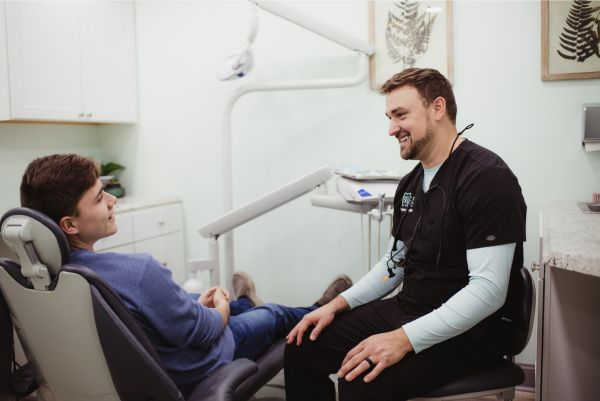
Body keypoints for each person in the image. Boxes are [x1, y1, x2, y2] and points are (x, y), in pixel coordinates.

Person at [19, 153, 353, 397]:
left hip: (139, 367)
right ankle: (321, 309)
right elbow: (202, 330)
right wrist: (217, 308)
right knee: (274, 314)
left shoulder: (39, 281)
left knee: (207, 302)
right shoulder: (137, 271)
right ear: (69, 224)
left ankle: (242, 302)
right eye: (99, 197)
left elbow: (142, 314)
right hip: (198, 363)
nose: (112, 201)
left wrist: (199, 305)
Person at [284, 68, 527, 401]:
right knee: (302, 346)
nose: (391, 129)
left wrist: (404, 338)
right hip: (411, 308)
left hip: (476, 329)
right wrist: (337, 305)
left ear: (437, 108)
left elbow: (488, 292)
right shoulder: (411, 184)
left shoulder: (486, 178)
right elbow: (394, 264)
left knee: (360, 379)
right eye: (389, 117)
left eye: (400, 115)